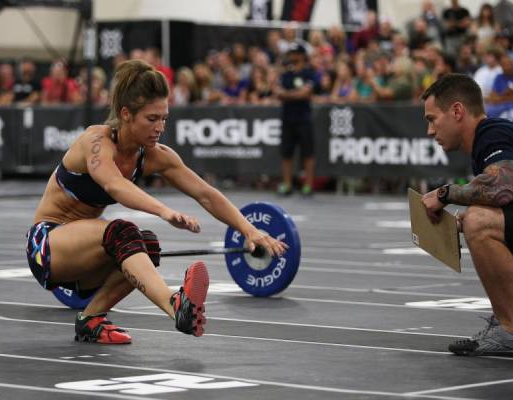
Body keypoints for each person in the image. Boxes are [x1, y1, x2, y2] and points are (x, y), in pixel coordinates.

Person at [26, 59, 287, 344]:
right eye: (152, 119)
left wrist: (248, 229)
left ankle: (90, 320)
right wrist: (163, 210)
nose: (159, 127)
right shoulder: (96, 141)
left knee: (145, 243)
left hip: (86, 256)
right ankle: (176, 305)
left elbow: (205, 194)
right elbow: (115, 185)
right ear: (126, 114)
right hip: (47, 245)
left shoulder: (155, 155)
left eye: (164, 118)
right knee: (122, 232)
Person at [421, 73, 513, 356]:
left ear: (457, 111)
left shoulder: (492, 133)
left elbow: (504, 186)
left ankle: (510, 330)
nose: (430, 131)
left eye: (432, 119)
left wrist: (444, 194)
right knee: (476, 217)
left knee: (478, 222)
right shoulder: (489, 141)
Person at [274, 42, 317, 196]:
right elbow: (278, 92)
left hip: (304, 118)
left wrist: (288, 94)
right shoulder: (286, 74)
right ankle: (287, 184)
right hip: (288, 118)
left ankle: (308, 185)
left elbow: (305, 93)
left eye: (293, 53)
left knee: (308, 153)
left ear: (301, 55)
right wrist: (295, 94)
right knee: (287, 153)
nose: (291, 56)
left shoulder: (308, 73)